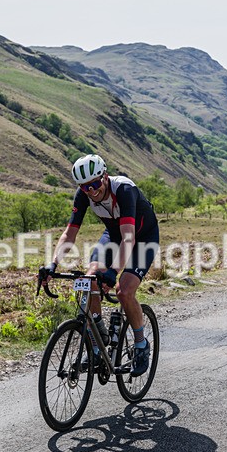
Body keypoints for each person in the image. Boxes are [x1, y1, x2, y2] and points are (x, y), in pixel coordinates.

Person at [42, 154, 159, 376]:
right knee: (89, 280)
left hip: (143, 238)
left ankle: (141, 344)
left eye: (95, 184)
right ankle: (98, 341)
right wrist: (52, 264)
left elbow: (129, 239)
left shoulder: (124, 190)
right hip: (114, 235)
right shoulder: (83, 195)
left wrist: (113, 271)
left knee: (124, 291)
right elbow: (70, 233)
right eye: (85, 187)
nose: (91, 191)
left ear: (105, 176)